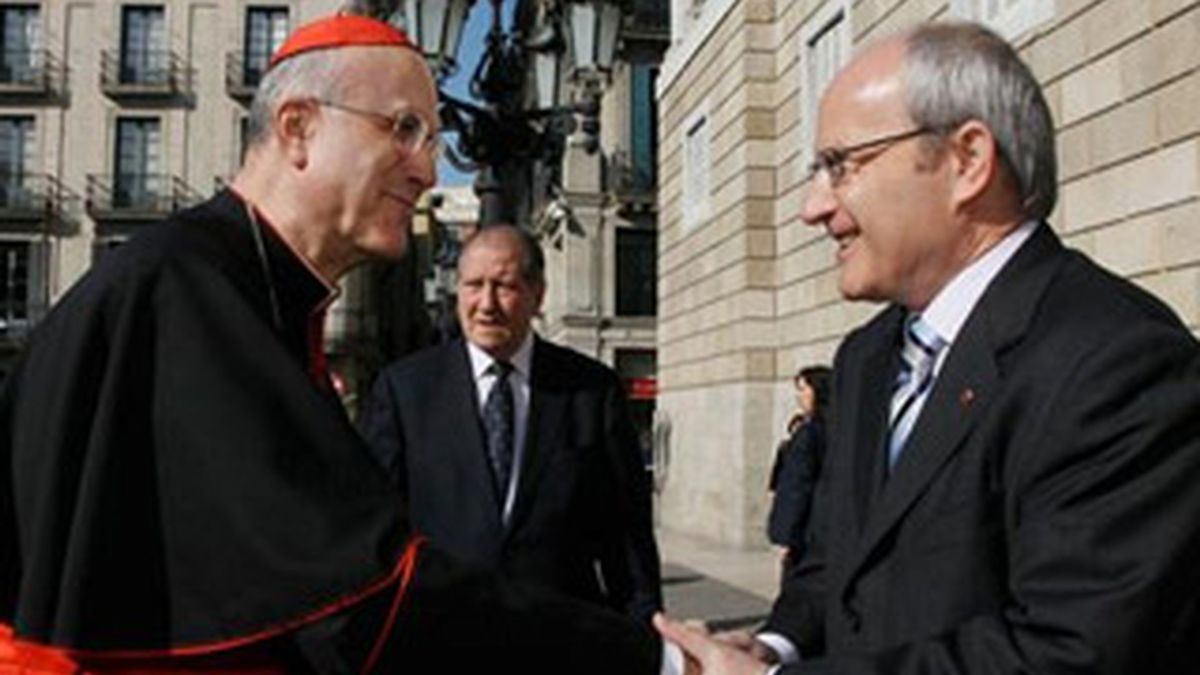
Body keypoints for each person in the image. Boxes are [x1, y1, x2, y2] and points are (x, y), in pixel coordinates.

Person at [0, 13, 662, 673]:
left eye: (432, 138)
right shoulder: (189, 288)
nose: (428, 169)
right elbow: (362, 597)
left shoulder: (261, 295)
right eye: (403, 129)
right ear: (298, 128)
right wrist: (656, 661)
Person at [655, 20, 1200, 675]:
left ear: (967, 159)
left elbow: (1073, 649)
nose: (812, 207)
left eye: (840, 164)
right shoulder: (867, 356)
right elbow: (835, 568)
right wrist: (772, 644)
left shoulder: (1119, 360)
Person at [361, 224, 663, 625]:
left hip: (561, 634)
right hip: (440, 633)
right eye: (473, 285)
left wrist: (644, 636)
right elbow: (376, 523)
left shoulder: (590, 390)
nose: (486, 304)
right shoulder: (405, 390)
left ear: (538, 294)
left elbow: (624, 533)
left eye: (503, 286)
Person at [765, 365, 830, 572]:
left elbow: (797, 487)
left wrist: (786, 536)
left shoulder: (808, 434)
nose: (799, 397)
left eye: (803, 389)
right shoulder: (841, 429)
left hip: (808, 534)